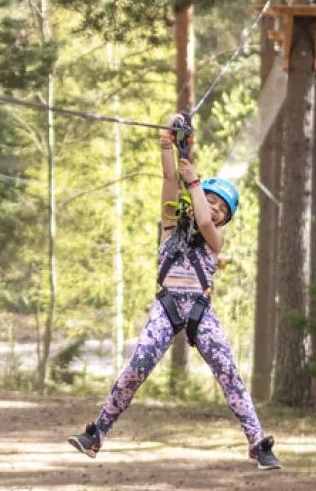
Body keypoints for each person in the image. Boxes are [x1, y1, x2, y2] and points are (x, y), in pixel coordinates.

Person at [68, 113, 281, 469]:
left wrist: (196, 181)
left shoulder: (215, 239)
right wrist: (169, 136)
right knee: (138, 365)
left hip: (199, 309)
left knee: (227, 370)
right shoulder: (170, 223)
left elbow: (201, 218)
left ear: (225, 220)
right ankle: (97, 433)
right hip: (167, 307)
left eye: (221, 209)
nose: (214, 208)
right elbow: (170, 177)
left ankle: (257, 443)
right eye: (211, 200)